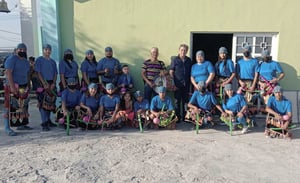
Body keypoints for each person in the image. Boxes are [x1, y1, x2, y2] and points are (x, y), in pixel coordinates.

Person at [3, 43, 31, 136]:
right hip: (12, 86)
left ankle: (22, 124)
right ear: (16, 50)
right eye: (20, 49)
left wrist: (28, 85)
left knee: (23, 105)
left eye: (24, 49)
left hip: (23, 86)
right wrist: (12, 87)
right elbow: (8, 73)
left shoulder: (26, 62)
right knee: (9, 106)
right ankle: (7, 127)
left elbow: (27, 74)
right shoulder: (12, 59)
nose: (22, 51)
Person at [35, 44, 58, 131]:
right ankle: (44, 122)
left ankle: (48, 120)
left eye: (49, 49)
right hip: (42, 84)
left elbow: (55, 73)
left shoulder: (52, 62)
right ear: (43, 50)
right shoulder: (39, 60)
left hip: (51, 83)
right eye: (46, 49)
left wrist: (53, 83)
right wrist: (44, 83)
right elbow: (38, 73)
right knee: (42, 103)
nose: (48, 51)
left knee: (50, 103)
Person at [169, 44, 192, 122]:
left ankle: (186, 117)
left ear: (187, 51)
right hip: (177, 84)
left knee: (186, 101)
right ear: (179, 50)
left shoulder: (189, 60)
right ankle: (178, 118)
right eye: (182, 50)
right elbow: (171, 71)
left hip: (187, 84)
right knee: (177, 101)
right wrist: (172, 83)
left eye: (185, 50)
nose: (183, 51)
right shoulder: (175, 60)